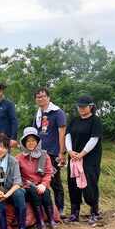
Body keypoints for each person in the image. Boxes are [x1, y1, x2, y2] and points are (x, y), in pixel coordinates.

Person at [66, 95, 103, 225]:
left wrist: (82, 154)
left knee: (89, 184)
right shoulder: (74, 120)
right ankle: (74, 212)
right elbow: (68, 135)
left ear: (90, 106)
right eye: (79, 106)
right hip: (73, 157)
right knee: (73, 184)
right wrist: (70, 151)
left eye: (84, 106)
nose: (81, 108)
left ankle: (94, 211)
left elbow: (94, 139)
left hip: (90, 159)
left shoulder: (95, 121)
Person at [32, 88, 67, 218]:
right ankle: (46, 210)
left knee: (55, 181)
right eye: (38, 97)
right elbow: (34, 134)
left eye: (43, 96)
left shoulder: (57, 112)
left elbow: (62, 133)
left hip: (53, 153)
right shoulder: (38, 114)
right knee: (40, 181)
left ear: (49, 97)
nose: (40, 99)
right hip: (39, 152)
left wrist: (61, 153)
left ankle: (60, 209)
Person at [16, 127, 58, 229]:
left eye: (33, 140)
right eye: (28, 141)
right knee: (34, 192)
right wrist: (27, 183)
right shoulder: (19, 158)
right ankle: (40, 221)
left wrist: (43, 184)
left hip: (41, 185)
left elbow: (48, 173)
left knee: (46, 193)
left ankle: (51, 219)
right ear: (24, 142)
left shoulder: (44, 155)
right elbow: (17, 175)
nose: (31, 143)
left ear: (37, 142)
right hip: (27, 185)